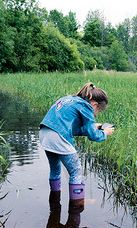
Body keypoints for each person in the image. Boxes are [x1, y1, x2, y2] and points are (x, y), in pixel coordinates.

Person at [39, 82, 114, 214]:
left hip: (45, 134)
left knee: (55, 169)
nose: (96, 114)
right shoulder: (87, 107)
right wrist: (104, 133)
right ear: (95, 104)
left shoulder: (70, 99)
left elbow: (69, 127)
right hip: (58, 136)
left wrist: (91, 127)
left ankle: (55, 201)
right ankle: (76, 206)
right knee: (76, 171)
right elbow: (94, 137)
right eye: (98, 110)